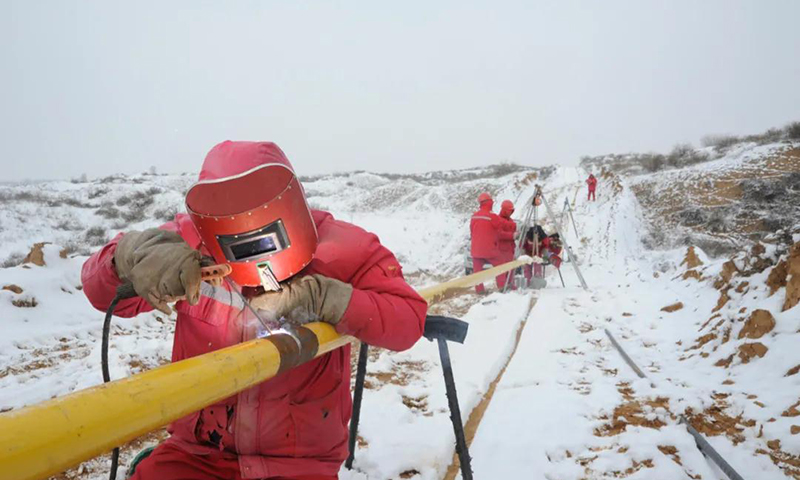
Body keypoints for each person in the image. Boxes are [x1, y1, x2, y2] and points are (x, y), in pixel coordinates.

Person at [81, 141, 428, 480]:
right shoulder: (188, 244)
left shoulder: (344, 249)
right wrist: (127, 257)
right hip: (197, 455)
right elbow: (100, 293)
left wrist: (327, 297)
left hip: (299, 463)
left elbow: (408, 320)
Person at [469, 193, 514, 293]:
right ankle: (502, 287)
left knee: (477, 272)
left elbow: (472, 232)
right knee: (501, 265)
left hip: (475, 250)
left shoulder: (474, 216)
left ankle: (479, 290)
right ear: (489, 203)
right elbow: (504, 227)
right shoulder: (492, 216)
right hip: (489, 249)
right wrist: (514, 231)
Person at [497, 200, 517, 289]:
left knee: (511, 268)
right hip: (501, 249)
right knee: (502, 269)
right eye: (509, 210)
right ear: (504, 210)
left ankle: (510, 284)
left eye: (511, 210)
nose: (510, 212)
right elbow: (499, 234)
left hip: (510, 248)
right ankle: (502, 287)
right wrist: (512, 235)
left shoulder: (511, 220)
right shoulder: (498, 220)